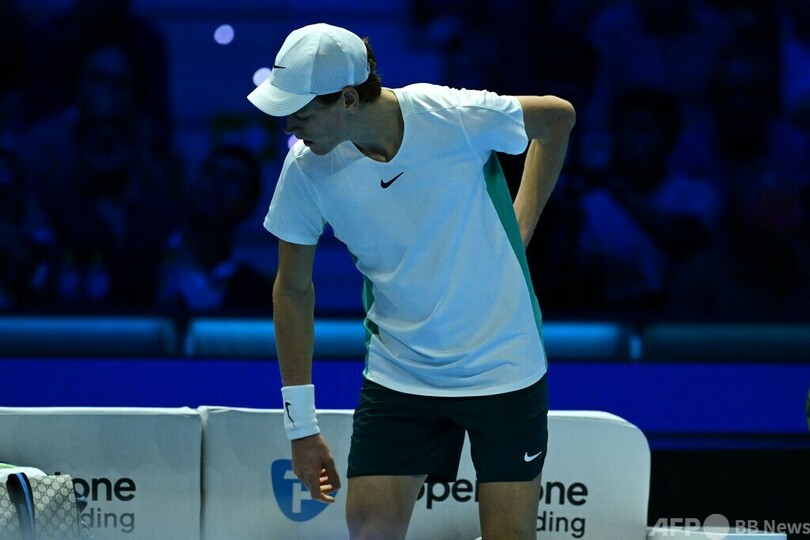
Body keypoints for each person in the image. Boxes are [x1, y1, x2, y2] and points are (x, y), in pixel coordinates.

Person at [246, 23, 574, 539]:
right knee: (369, 532)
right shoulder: (306, 170)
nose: (291, 126)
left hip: (503, 365)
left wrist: (522, 224)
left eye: (302, 113)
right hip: (400, 374)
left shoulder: (450, 114)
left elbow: (558, 117)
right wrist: (301, 427)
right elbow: (292, 291)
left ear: (348, 99)